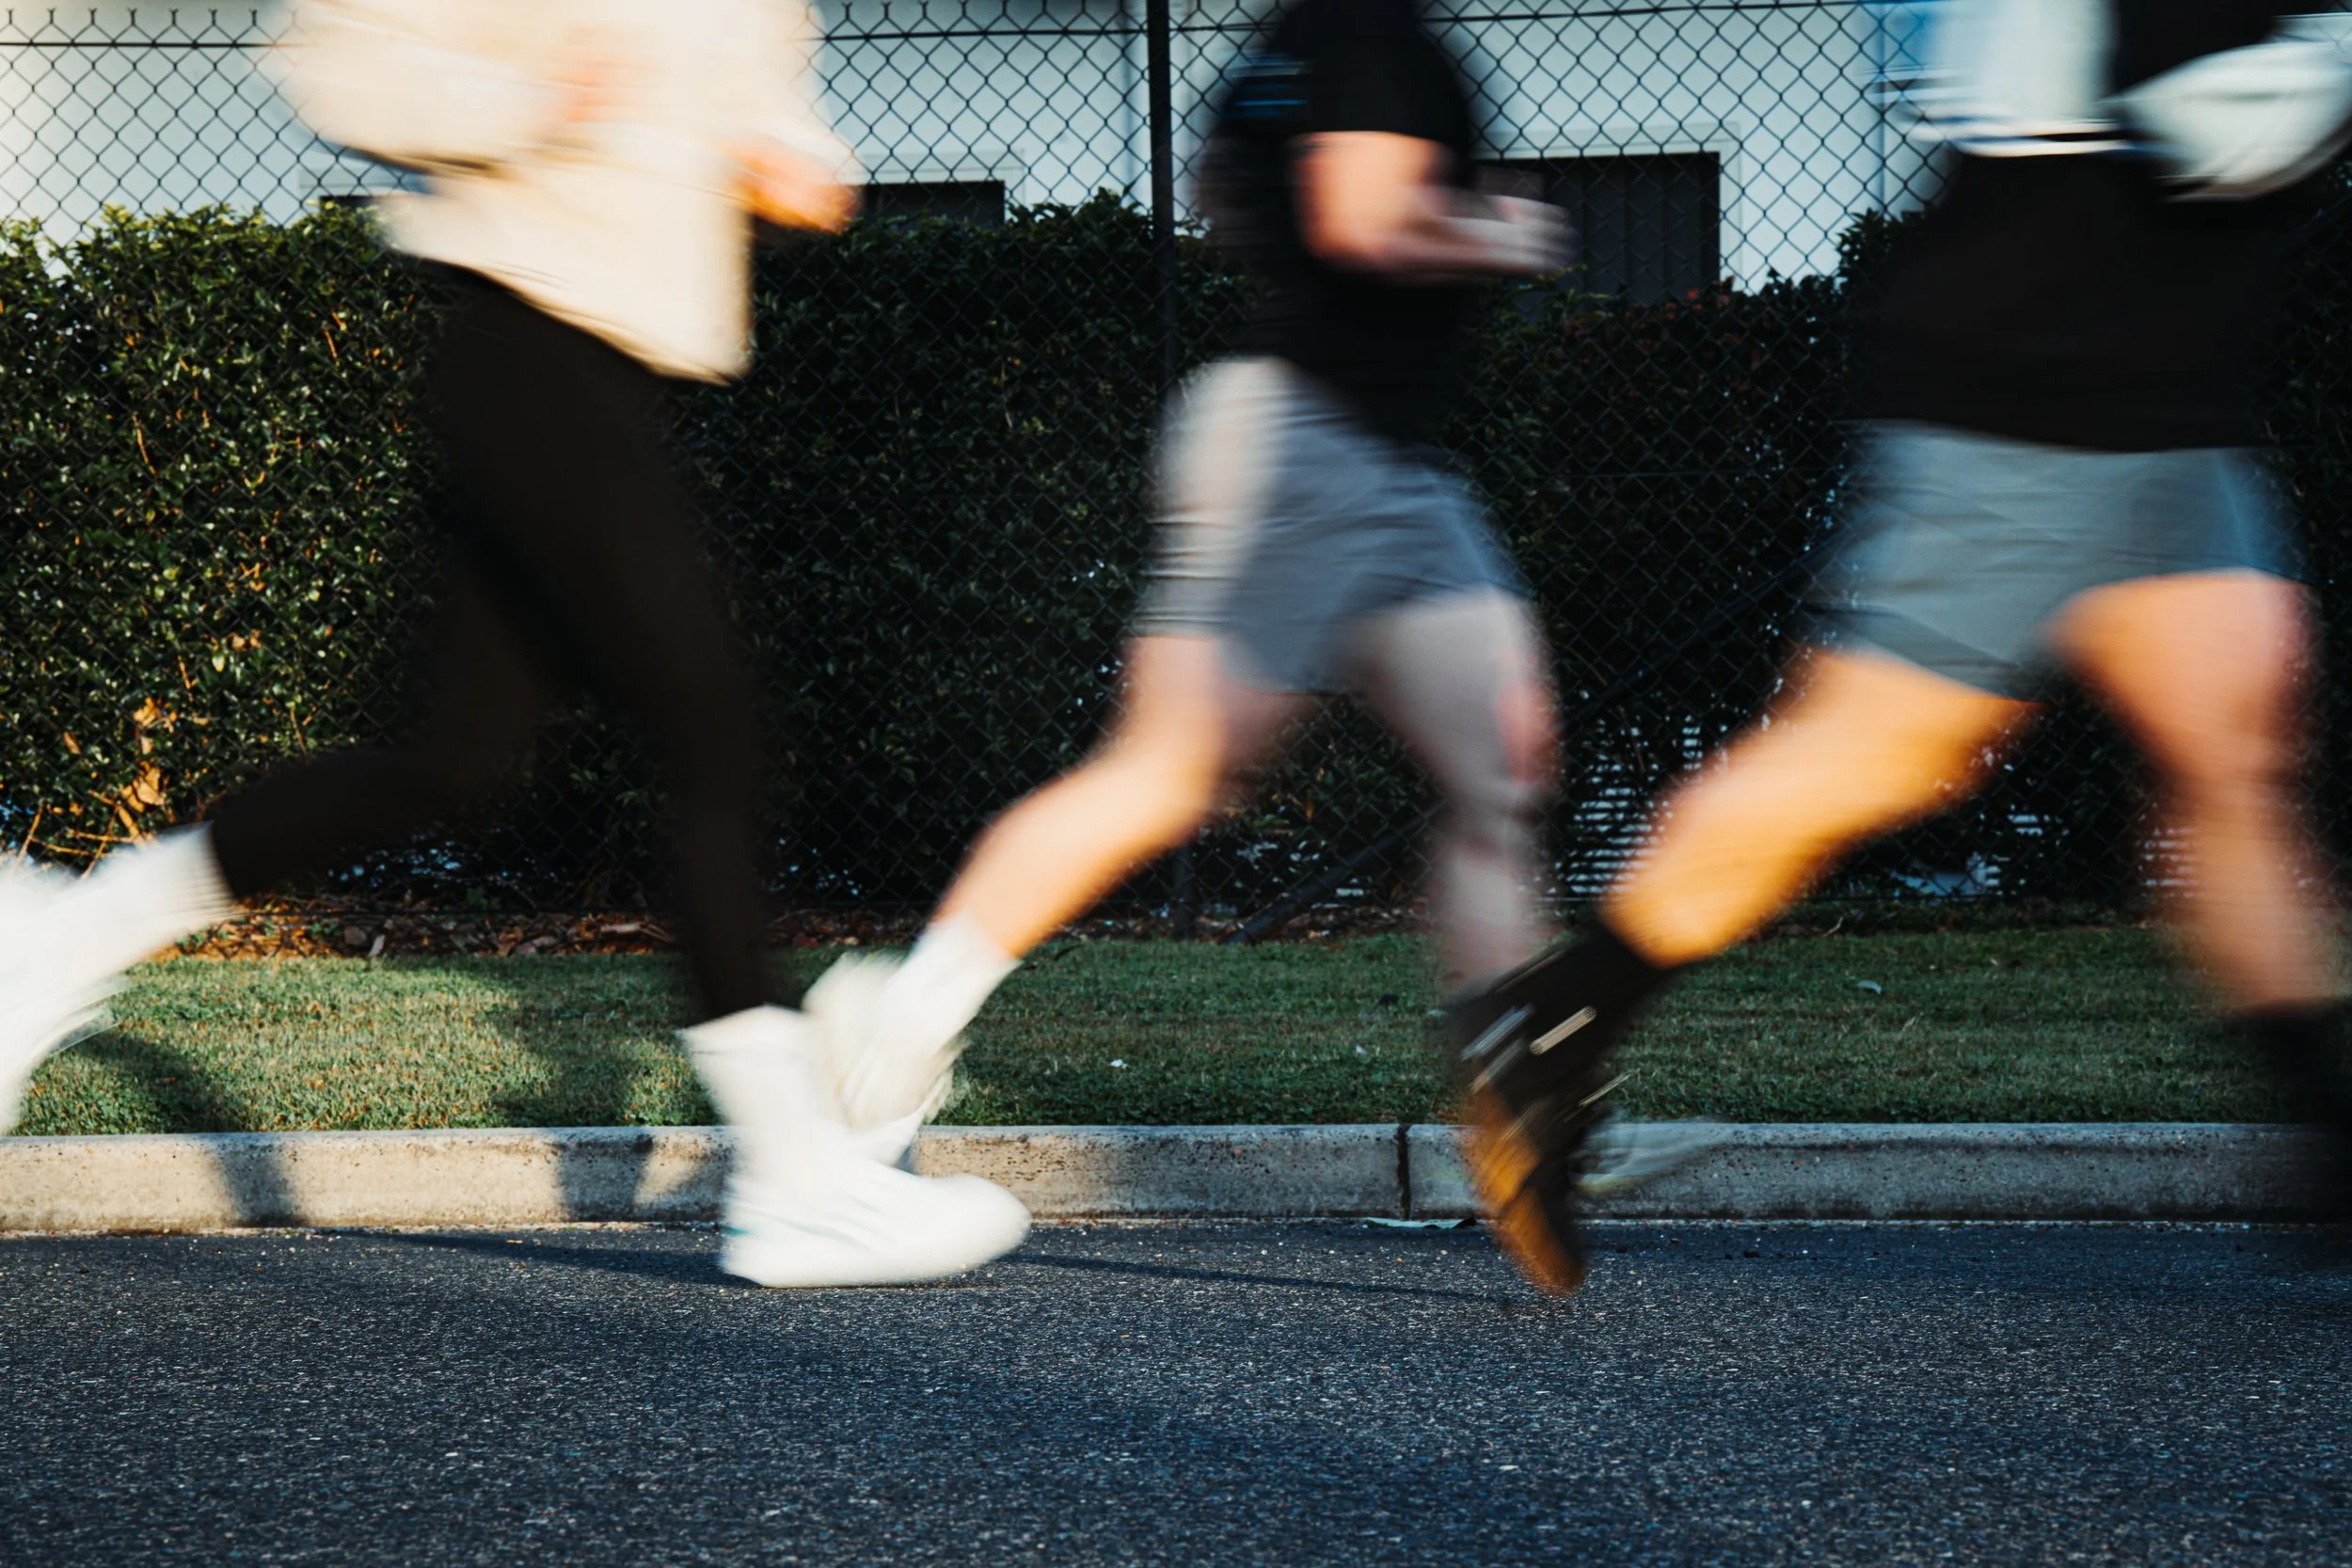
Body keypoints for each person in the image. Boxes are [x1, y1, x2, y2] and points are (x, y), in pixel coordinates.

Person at [0, 0, 1031, 1289]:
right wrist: (531, 105)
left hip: (611, 378)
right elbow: (339, 62)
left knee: (450, 759)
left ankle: (59, 932)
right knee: (712, 734)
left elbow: (758, 117)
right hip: (529, 351)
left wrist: (788, 158)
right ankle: (797, 1174)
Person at [1441, 0, 2352, 1296]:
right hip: (2026, 382)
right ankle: (1553, 1025)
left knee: (2234, 737)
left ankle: (2328, 1147)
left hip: (2170, 397)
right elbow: (2226, 124)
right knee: (1878, 758)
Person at [786, 0, 1573, 1171]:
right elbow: (1361, 219)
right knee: (1166, 771)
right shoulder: (1371, 42)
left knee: (1501, 773)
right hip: (1308, 453)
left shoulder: (1287, 46)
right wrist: (1500, 232)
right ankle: (893, 1024)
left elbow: (1218, 191)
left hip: (1387, 465)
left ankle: (1523, 1113)